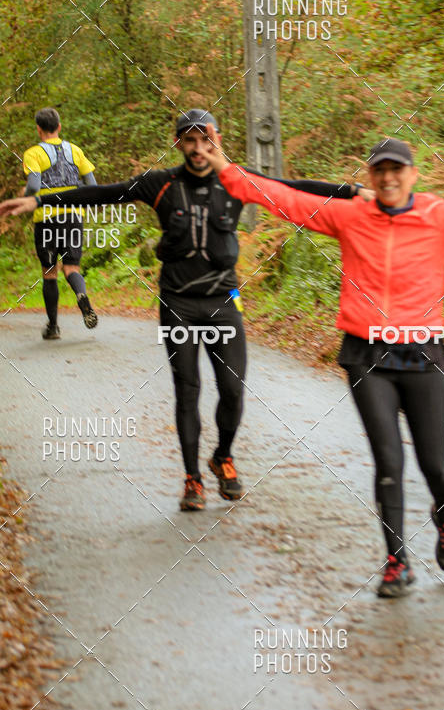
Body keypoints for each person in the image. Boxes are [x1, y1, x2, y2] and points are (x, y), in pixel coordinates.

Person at [188, 124, 444, 598]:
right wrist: (223, 166)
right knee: (389, 461)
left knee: (436, 465)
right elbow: (282, 199)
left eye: (396, 170)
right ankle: (396, 562)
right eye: (379, 170)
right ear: (370, 176)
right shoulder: (349, 216)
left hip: (423, 354)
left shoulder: (439, 216)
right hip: (367, 356)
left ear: (412, 174)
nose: (387, 178)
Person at [0, 109, 366, 511]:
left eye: (205, 140)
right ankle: (192, 478)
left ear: (217, 141)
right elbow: (101, 193)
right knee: (187, 389)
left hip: (223, 300)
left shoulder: (235, 181)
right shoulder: (160, 184)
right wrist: (37, 199)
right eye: (189, 140)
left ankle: (222, 456)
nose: (197, 148)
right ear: (178, 143)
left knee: (232, 390)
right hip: (177, 303)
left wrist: (351, 192)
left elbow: (291, 188)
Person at [23, 107, 99, 339]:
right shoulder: (75, 150)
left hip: (46, 218)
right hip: (73, 217)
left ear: (38, 129)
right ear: (59, 127)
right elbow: (92, 185)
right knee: (71, 268)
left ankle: (53, 327)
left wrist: (25, 197)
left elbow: (33, 186)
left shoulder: (33, 153)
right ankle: (81, 295)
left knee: (49, 272)